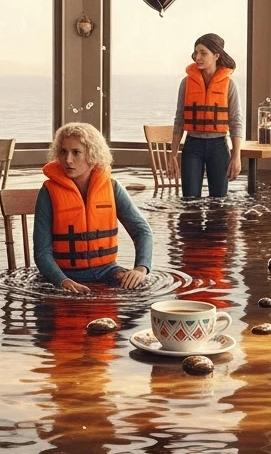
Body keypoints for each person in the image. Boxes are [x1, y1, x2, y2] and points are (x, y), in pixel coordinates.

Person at [34, 123, 153, 293]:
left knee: (141, 293)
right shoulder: (48, 193)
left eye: (76, 152)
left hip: (107, 271)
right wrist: (63, 281)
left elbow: (142, 231)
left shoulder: (112, 188)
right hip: (63, 275)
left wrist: (141, 268)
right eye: (63, 152)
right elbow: (42, 252)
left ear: (92, 154)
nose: (68, 160)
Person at [170, 33, 243, 199]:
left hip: (218, 147)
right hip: (192, 146)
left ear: (216, 55)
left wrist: (236, 156)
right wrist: (173, 155)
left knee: (218, 203)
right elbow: (179, 119)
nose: (198, 57)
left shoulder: (229, 85)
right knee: (189, 201)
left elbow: (236, 121)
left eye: (203, 53)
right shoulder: (186, 83)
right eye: (196, 53)